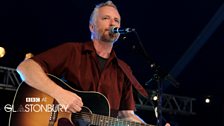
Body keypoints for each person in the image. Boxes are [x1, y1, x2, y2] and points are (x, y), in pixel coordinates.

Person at [16, 0, 150, 125]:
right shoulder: (72, 51)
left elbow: (126, 115)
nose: (112, 23)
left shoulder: (124, 70)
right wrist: (59, 94)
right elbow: (25, 68)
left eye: (116, 20)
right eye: (105, 18)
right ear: (92, 27)